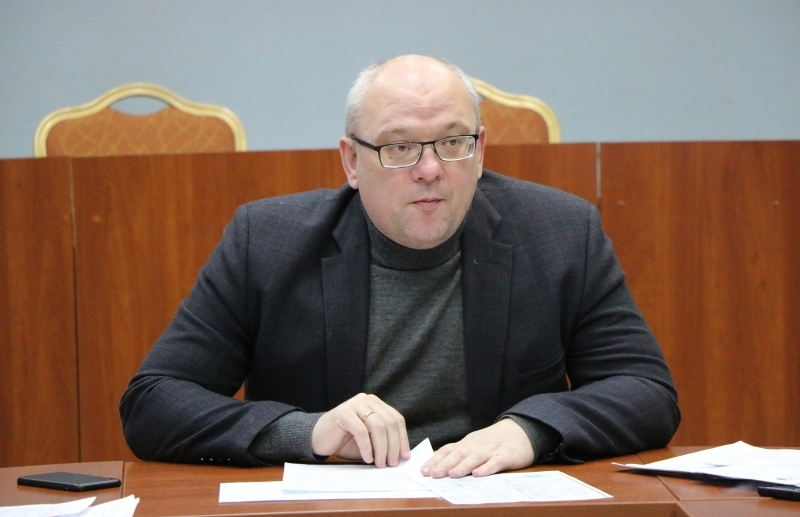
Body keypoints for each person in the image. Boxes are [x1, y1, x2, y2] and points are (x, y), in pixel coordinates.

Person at [120, 54, 680, 478]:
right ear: (352, 161)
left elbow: (646, 391)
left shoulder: (560, 233)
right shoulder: (267, 242)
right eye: (399, 148)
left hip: (494, 510)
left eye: (452, 142)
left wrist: (530, 431)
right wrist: (308, 432)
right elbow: (154, 402)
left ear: (480, 151)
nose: (430, 169)